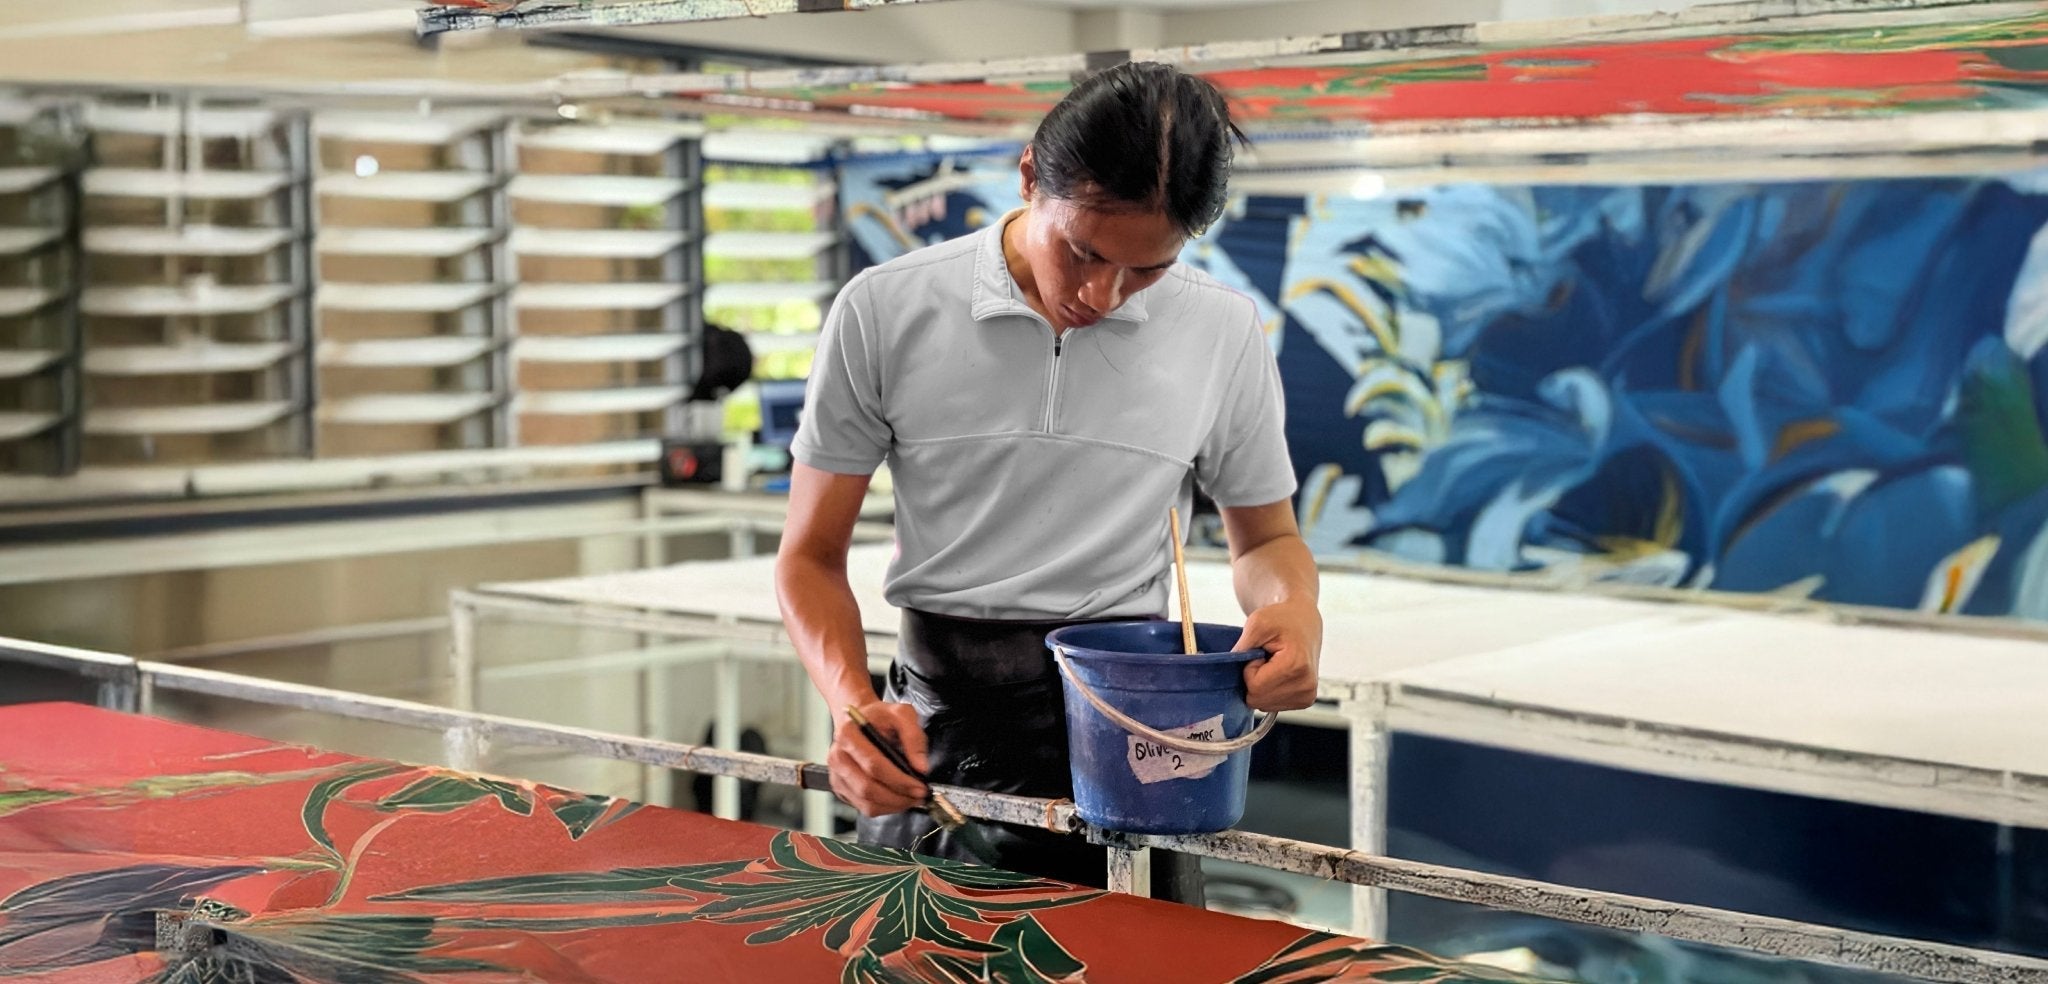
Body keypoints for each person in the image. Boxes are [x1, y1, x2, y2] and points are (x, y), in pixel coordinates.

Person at [773, 61, 1322, 903]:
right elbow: (809, 556)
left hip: (1138, 731)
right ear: (1030, 176)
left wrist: (1292, 609)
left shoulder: (1222, 329)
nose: (1102, 294)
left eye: (1148, 270)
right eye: (1083, 251)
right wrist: (854, 709)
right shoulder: (885, 310)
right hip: (935, 731)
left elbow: (1268, 538)